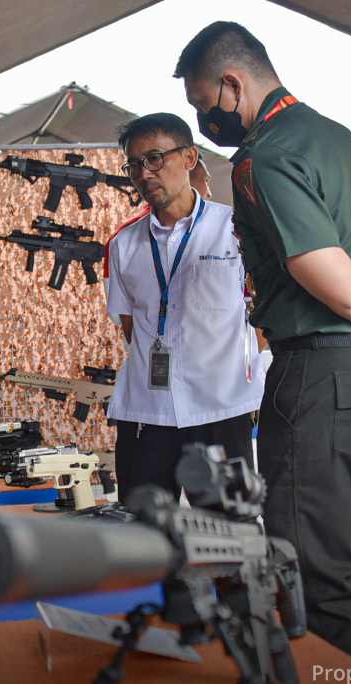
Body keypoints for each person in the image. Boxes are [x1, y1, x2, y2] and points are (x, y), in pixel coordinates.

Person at [176, 21, 351, 668]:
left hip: (327, 380)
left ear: (231, 83)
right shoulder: (345, 143)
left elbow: (343, 290)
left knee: (319, 588)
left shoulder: (264, 155)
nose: (203, 122)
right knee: (350, 573)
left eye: (201, 105)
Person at [105, 112, 263, 505]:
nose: (144, 174)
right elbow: (130, 325)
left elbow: (260, 315)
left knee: (228, 538)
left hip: (220, 411)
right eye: (134, 165)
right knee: (143, 542)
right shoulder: (123, 245)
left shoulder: (235, 229)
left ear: (190, 158)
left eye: (155, 159)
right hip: (146, 414)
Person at [103, 156, 212, 325]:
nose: (209, 192)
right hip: (147, 348)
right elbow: (120, 315)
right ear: (186, 179)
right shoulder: (123, 239)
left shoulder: (228, 228)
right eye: (205, 181)